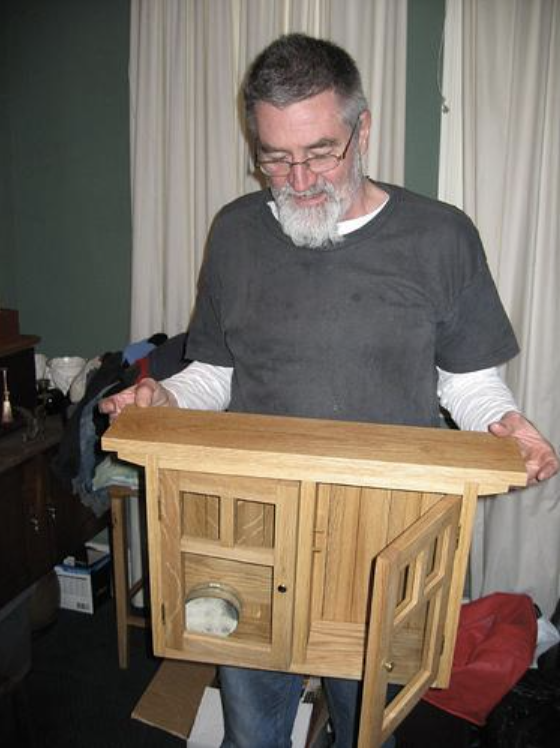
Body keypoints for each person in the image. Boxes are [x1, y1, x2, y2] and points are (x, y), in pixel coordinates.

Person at [100, 33, 558, 748]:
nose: (300, 179)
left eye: (320, 153)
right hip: (253, 520)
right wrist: (162, 398)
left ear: (363, 129)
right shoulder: (235, 232)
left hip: (384, 533)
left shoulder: (441, 236)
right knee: (253, 727)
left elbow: (468, 383)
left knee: (365, 728)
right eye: (275, 159)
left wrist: (507, 423)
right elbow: (215, 374)